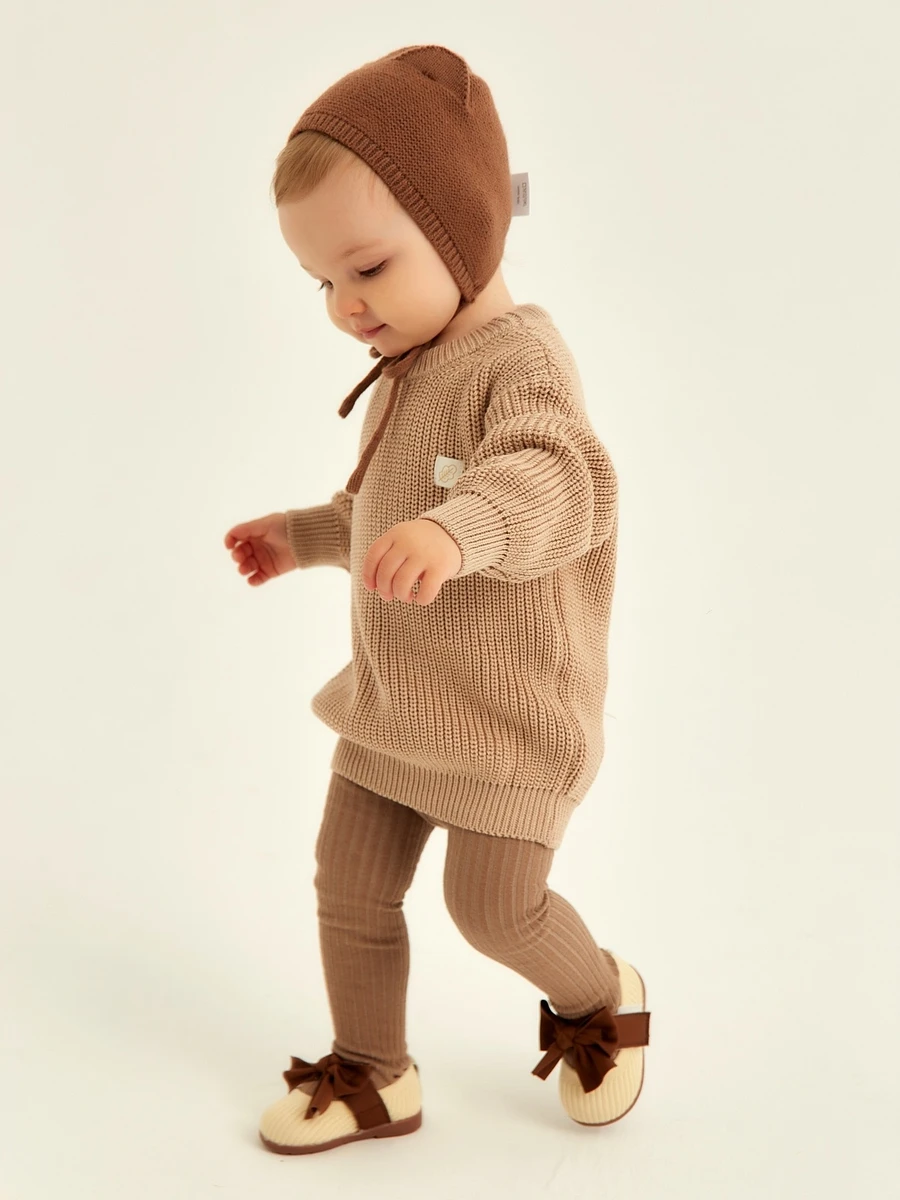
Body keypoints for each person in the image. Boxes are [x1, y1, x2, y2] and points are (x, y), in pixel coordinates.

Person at [223, 44, 650, 1156]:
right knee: (350, 886)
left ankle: (599, 997)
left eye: (366, 267)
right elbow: (383, 517)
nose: (344, 307)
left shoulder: (520, 364)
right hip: (394, 707)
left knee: (493, 909)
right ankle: (374, 1071)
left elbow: (554, 482)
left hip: (508, 724)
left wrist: (459, 534)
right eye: (322, 283)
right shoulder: (408, 366)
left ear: (463, 229)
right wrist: (305, 536)